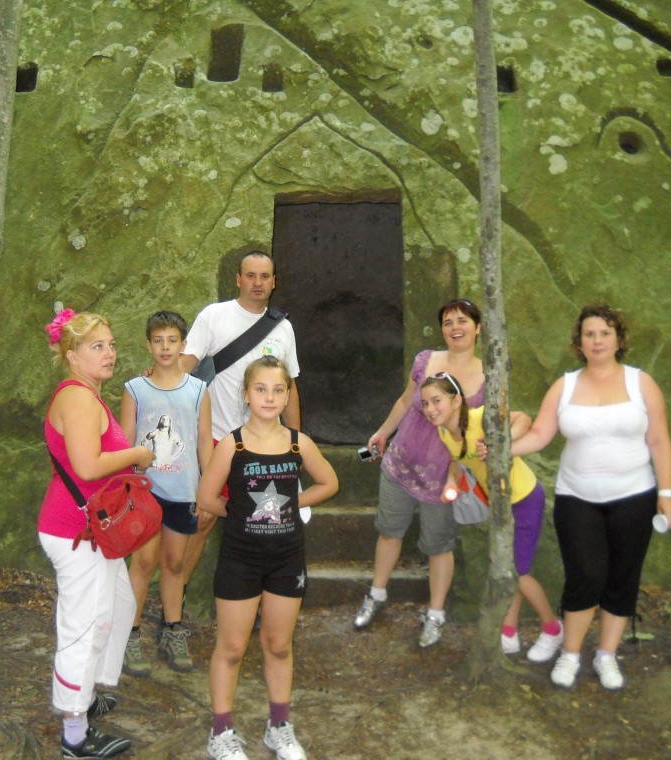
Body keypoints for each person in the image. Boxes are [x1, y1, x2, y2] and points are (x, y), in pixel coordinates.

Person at [510, 304, 671, 690]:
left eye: (605, 333)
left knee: (622, 576)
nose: (597, 340)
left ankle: (606, 655)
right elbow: (539, 435)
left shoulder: (642, 383)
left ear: (618, 339)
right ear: (579, 341)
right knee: (584, 575)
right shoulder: (564, 386)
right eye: (590, 334)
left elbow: (659, 439)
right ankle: (570, 654)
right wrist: (503, 450)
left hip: (634, 496)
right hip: (577, 497)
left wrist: (666, 493)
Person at [198, 356, 338, 760]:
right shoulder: (233, 444)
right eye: (261, 389)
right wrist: (241, 512)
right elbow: (206, 497)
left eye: (279, 389)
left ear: (288, 395)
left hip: (287, 560)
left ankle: (279, 727)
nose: (270, 397)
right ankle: (221, 732)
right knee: (232, 646)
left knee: (278, 644)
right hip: (240, 560)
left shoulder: (298, 443)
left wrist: (291, 503)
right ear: (246, 394)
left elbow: (329, 482)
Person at [37, 307, 155, 759]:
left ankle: (86, 695)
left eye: (111, 345)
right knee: (86, 626)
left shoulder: (88, 395)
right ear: (71, 355)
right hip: (76, 531)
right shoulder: (78, 398)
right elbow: (87, 466)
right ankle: (75, 734)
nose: (110, 353)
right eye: (97, 346)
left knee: (119, 606)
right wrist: (137, 454)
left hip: (93, 530)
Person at [353, 299, 485, 647]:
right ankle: (376, 594)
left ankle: (435, 613)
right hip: (401, 463)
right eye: (448, 322)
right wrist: (383, 432)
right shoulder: (426, 360)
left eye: (462, 321)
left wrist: (469, 466)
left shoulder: (487, 377)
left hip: (444, 477)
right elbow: (404, 401)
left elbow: (481, 433)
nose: (455, 328)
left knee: (439, 546)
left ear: (478, 328)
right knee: (389, 532)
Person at [179, 250, 301, 612]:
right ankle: (176, 597)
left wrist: (295, 440)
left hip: (265, 445)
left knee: (266, 521)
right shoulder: (214, 316)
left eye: (265, 276)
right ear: (238, 279)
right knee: (203, 519)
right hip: (219, 437)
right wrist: (154, 383)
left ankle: (260, 602)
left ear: (274, 282)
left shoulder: (283, 328)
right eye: (250, 275)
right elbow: (184, 366)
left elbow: (290, 385)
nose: (257, 283)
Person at [420, 372, 563, 662]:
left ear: (456, 401)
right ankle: (508, 631)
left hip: (523, 498)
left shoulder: (480, 417)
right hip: (498, 505)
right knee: (506, 565)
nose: (430, 409)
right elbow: (456, 461)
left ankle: (552, 627)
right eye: (425, 403)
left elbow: (523, 419)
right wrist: (451, 481)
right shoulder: (444, 432)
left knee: (517, 572)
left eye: (436, 401)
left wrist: (500, 442)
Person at [121, 311, 214, 676]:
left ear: (183, 345)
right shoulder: (135, 389)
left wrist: (207, 489)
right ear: (148, 345)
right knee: (144, 563)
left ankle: (172, 631)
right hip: (146, 491)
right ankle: (129, 635)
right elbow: (126, 441)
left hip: (183, 490)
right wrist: (127, 484)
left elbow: (203, 440)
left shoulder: (198, 390)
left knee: (174, 563)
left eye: (172, 340)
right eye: (158, 341)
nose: (165, 347)